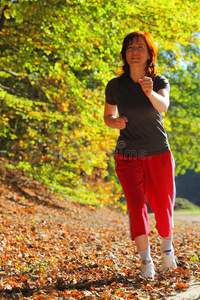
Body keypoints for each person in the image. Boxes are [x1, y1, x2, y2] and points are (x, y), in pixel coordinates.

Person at [104, 31, 177, 279]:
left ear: (149, 54)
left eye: (140, 47)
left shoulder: (159, 81)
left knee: (162, 206)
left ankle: (167, 250)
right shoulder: (115, 85)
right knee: (136, 206)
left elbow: (163, 106)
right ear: (125, 54)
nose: (134, 51)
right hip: (128, 154)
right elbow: (108, 116)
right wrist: (114, 122)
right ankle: (146, 262)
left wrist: (149, 92)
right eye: (130, 47)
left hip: (158, 153)